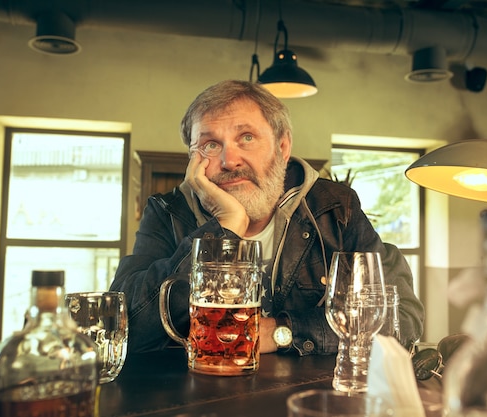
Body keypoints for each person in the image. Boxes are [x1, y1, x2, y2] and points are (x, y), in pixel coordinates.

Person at [110, 80, 424, 355]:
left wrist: (279, 331)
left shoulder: (334, 207)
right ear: (193, 159)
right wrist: (224, 229)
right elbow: (122, 327)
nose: (229, 160)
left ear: (282, 147)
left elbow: (400, 318)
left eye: (246, 137)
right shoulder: (168, 213)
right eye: (209, 144)